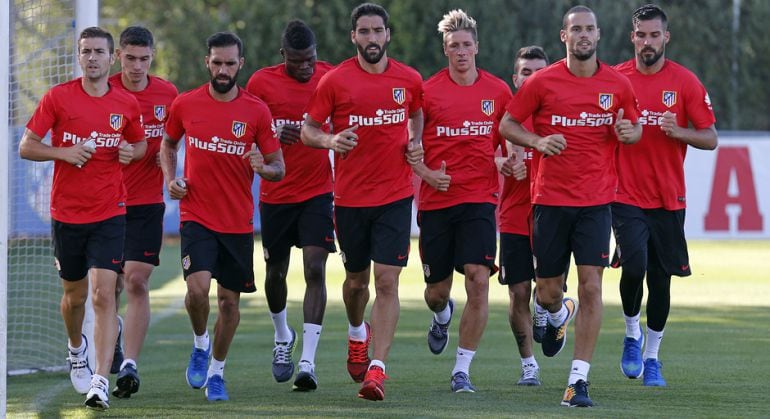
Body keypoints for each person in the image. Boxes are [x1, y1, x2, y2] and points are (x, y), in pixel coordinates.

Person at [499, 5, 642, 407]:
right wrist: (537, 142)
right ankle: (559, 313)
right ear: (564, 36)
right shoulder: (542, 83)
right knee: (545, 294)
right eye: (575, 29)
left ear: (598, 36)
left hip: (597, 202)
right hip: (549, 201)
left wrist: (630, 132)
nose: (583, 35)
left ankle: (577, 382)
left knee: (593, 286)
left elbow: (633, 127)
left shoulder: (617, 84)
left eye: (589, 29)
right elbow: (507, 124)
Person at [19, 27, 146, 410]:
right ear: (79, 56)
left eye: (99, 52)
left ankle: (100, 380)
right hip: (67, 214)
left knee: (103, 294)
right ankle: (76, 347)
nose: (92, 57)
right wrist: (63, 152)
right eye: (85, 51)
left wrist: (131, 152)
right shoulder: (57, 98)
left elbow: (139, 144)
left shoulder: (126, 103)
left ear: (112, 58)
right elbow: (26, 146)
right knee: (74, 298)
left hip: (110, 212)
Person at [301, 2, 423, 401]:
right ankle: (357, 335)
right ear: (354, 36)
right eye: (364, 32)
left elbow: (417, 114)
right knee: (356, 283)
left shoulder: (409, 79)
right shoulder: (335, 82)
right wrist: (331, 141)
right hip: (351, 200)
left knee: (387, 281)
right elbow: (308, 130)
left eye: (378, 31)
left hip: (395, 196)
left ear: (388, 35)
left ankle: (378, 369)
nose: (372, 38)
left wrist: (415, 141)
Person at [160, 31, 284, 402]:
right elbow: (167, 143)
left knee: (229, 304)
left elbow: (279, 167)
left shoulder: (257, 111)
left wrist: (264, 168)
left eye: (231, 63)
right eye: (217, 62)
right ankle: (200, 342)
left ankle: (216, 371)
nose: (224, 69)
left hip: (237, 223)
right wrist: (171, 179)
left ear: (241, 64)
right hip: (196, 215)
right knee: (197, 291)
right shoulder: (186, 104)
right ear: (207, 63)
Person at [612, 4, 717, 387]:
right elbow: (599, 129)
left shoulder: (686, 83)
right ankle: (630, 332)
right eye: (641, 35)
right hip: (625, 195)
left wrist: (679, 132)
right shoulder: (616, 80)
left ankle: (653, 357)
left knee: (660, 280)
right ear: (632, 38)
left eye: (654, 35)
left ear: (666, 37)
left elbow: (710, 138)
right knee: (634, 266)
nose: (647, 42)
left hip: (668, 198)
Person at [411, 9, 511, 393]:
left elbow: (511, 135)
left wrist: (511, 158)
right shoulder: (427, 92)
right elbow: (411, 147)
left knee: (478, 281)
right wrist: (427, 175)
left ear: (477, 47)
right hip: (437, 203)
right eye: (454, 46)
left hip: (480, 200)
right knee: (436, 292)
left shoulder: (498, 91)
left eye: (467, 45)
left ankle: (461, 370)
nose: (461, 52)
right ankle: (441, 316)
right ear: (445, 50)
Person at [245, 20, 335, 391]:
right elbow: (249, 133)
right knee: (275, 273)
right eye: (297, 61)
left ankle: (308, 361)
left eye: (310, 59)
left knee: (315, 267)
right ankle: (283, 336)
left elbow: (346, 124)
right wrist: (273, 136)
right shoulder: (260, 84)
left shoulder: (331, 78)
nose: (306, 67)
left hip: (318, 191)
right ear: (284, 56)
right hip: (276, 194)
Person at [108, 25, 178, 399]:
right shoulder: (104, 91)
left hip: (147, 203)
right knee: (109, 286)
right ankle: (112, 332)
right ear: (118, 56)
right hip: (106, 203)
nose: (137, 66)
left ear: (153, 56)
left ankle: (130, 365)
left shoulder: (167, 93)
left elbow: (174, 140)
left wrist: (171, 170)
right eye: (130, 58)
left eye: (144, 58)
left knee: (136, 280)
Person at [496, 45, 548, 387]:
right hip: (513, 214)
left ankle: (552, 309)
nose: (533, 78)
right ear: (515, 78)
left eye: (539, 72)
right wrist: (501, 163)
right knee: (517, 293)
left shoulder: (558, 110)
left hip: (551, 211)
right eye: (526, 72)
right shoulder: (502, 116)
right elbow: (479, 153)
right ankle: (529, 364)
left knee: (547, 291)